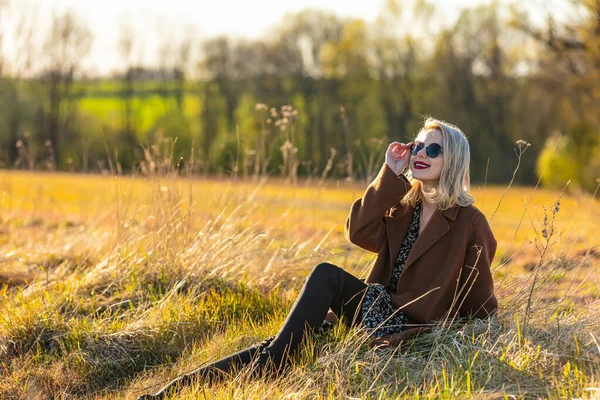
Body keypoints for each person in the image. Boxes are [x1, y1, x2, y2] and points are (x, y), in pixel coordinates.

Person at [137, 117, 497, 399]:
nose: (420, 154)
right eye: (418, 146)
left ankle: (271, 366)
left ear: (453, 161)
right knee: (275, 347)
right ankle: (166, 394)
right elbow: (357, 232)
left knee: (324, 279)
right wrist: (389, 173)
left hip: (408, 327)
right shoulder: (404, 206)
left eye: (432, 151)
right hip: (375, 311)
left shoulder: (469, 221)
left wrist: (467, 339)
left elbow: (480, 296)